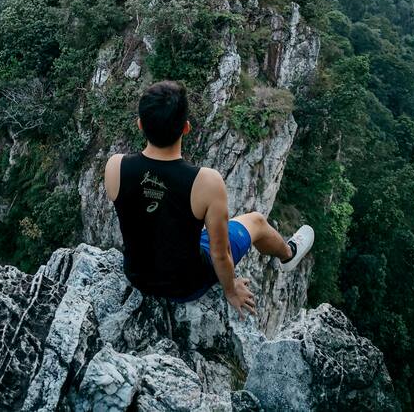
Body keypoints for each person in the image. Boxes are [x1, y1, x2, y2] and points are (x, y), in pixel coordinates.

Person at [104, 80, 314, 319]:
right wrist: (231, 290)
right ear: (186, 128)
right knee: (256, 221)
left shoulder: (115, 166)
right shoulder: (206, 182)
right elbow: (220, 253)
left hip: (138, 275)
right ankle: (288, 254)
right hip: (185, 286)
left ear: (140, 124)